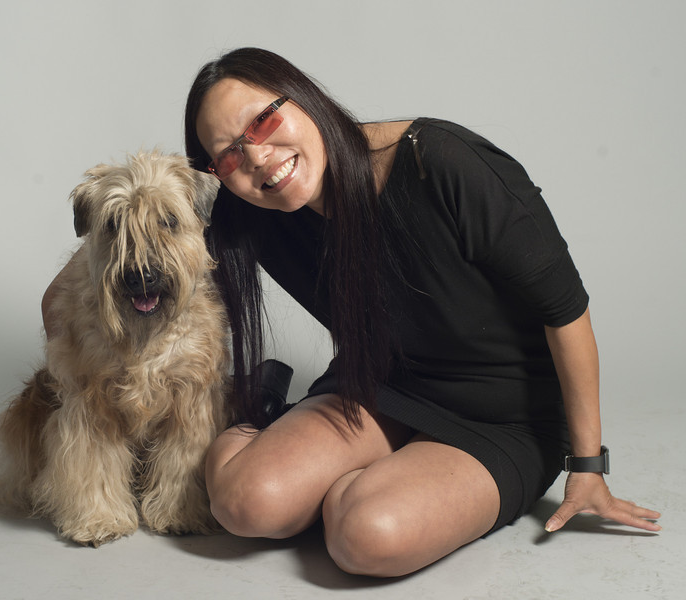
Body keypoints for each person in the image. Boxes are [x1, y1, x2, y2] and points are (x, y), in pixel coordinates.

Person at [45, 47, 661, 577]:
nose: (257, 157)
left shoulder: (442, 161)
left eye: (262, 120)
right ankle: (260, 404)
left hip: (506, 417)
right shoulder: (250, 204)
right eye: (229, 154)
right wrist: (89, 288)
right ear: (217, 175)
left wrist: (587, 466)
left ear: (304, 97)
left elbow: (568, 314)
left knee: (362, 533)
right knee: (242, 503)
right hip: (380, 383)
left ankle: (360, 474)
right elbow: (123, 245)